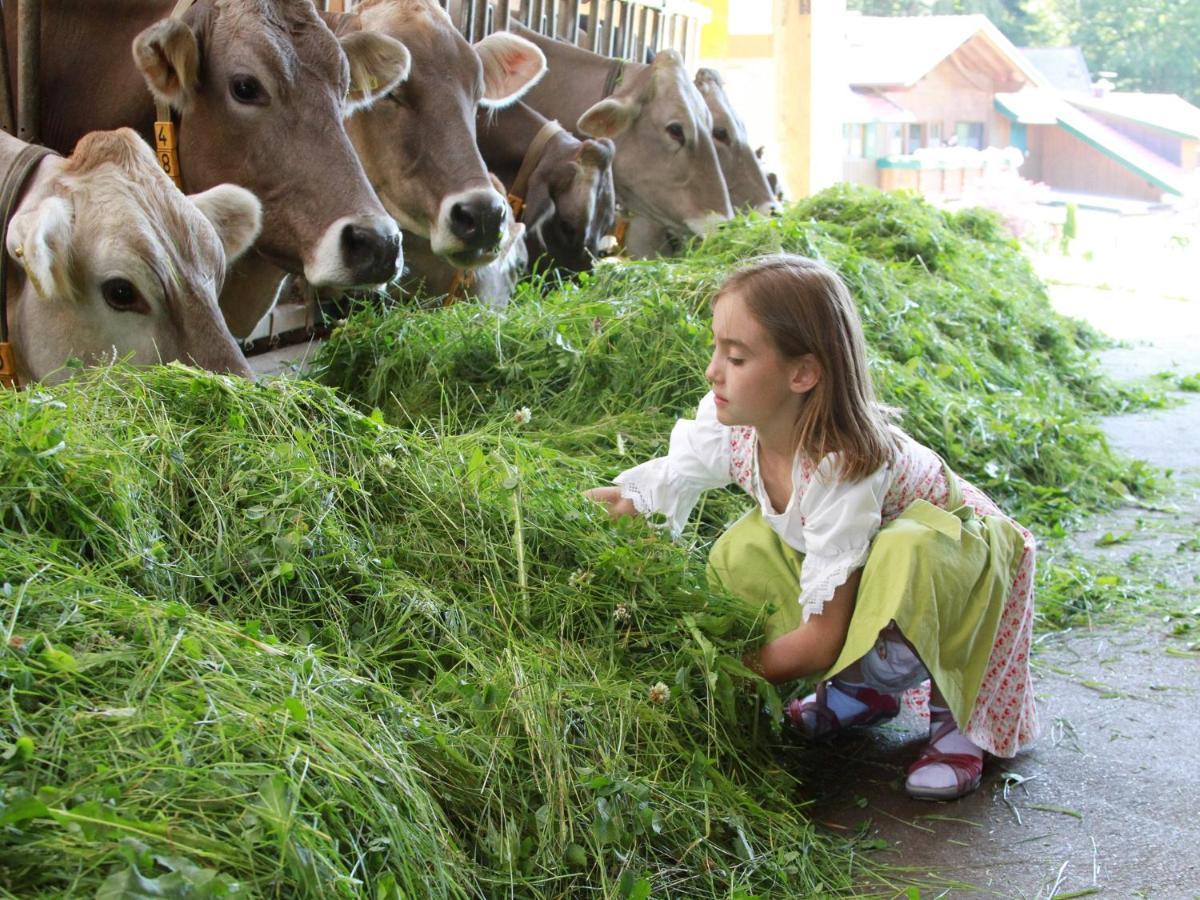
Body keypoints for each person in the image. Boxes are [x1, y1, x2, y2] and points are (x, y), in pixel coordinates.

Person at [585, 255, 1038, 800]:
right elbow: (667, 481)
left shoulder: (841, 464)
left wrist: (725, 675)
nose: (712, 370)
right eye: (716, 349)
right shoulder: (734, 428)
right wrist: (607, 507)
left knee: (906, 550)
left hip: (959, 561)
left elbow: (820, 640)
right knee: (747, 545)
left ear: (802, 374)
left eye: (735, 356)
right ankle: (860, 692)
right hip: (863, 563)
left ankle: (958, 727)